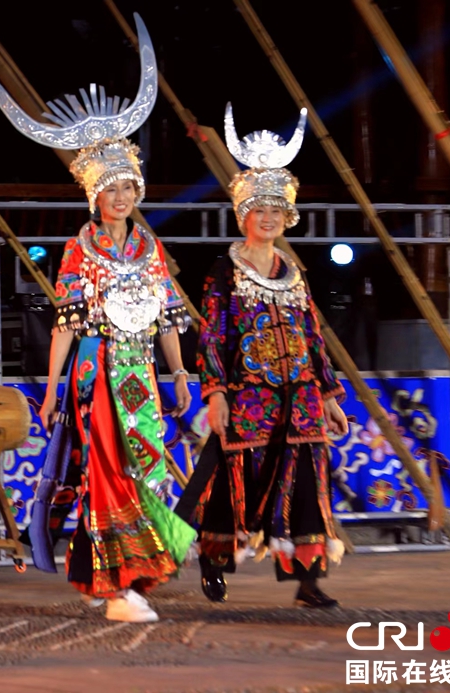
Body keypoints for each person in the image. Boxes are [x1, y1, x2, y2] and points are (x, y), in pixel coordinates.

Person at [0, 14, 196, 623]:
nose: (121, 197)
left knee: (147, 464)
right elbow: (67, 326)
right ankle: (114, 585)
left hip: (142, 374)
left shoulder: (149, 249)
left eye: (128, 187)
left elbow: (169, 317)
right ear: (94, 197)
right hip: (97, 372)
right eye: (111, 190)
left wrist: (180, 374)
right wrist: (51, 391)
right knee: (108, 467)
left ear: (138, 191)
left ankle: (135, 575)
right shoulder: (81, 249)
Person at [177, 104, 349, 608]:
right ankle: (213, 560)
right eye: (260, 210)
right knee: (231, 482)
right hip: (248, 397)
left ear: (286, 217)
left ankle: (308, 580)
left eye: (277, 211)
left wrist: (330, 396)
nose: (268, 218)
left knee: (307, 490)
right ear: (244, 215)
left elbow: (312, 339)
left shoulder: (294, 275)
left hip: (301, 400)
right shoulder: (224, 273)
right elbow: (212, 338)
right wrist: (215, 393)